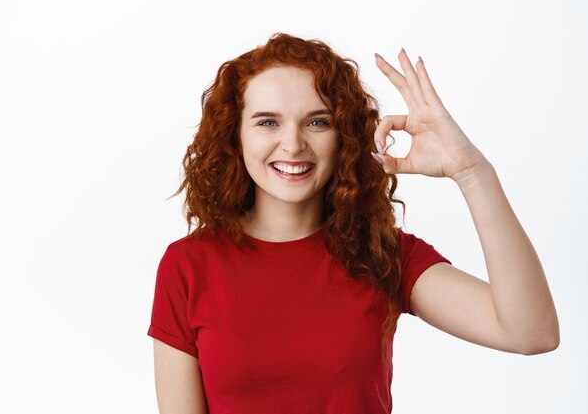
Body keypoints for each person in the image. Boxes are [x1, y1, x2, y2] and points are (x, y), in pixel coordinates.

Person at [146, 33, 559, 414]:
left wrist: (471, 171)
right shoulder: (187, 267)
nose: (293, 144)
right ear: (235, 136)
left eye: (317, 121)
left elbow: (530, 332)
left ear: (344, 136)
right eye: (268, 121)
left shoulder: (383, 253)